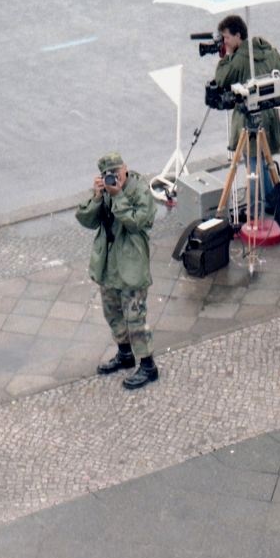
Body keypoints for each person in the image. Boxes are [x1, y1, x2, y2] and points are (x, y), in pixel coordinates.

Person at [76, 152, 160, 390]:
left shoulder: (139, 189)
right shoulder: (107, 191)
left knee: (135, 317)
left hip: (132, 261)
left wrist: (119, 196)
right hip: (109, 263)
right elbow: (86, 220)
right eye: (108, 175)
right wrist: (97, 196)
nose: (114, 178)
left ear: (126, 169)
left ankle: (147, 365)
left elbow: (136, 222)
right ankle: (125, 353)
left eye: (117, 173)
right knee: (112, 311)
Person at [212, 14, 280, 213]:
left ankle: (257, 209)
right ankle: (272, 201)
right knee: (266, 161)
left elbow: (221, 80)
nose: (225, 42)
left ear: (238, 36)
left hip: (249, 118)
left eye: (226, 37)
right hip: (270, 116)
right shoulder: (268, 50)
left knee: (253, 165)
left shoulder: (239, 59)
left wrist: (225, 57)